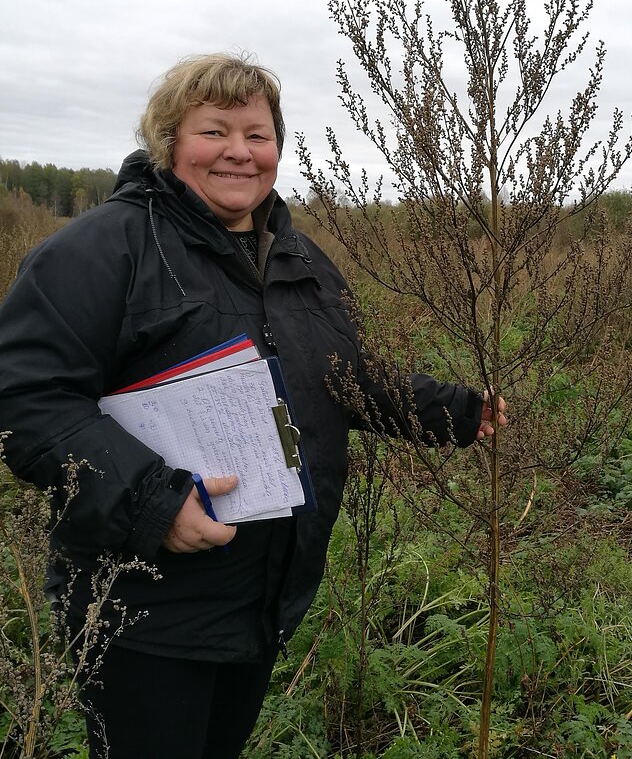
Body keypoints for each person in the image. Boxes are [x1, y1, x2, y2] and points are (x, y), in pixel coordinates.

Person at [0, 53, 506, 758]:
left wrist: (453, 410)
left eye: (258, 135)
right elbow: (26, 400)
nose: (240, 151)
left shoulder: (298, 258)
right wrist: (152, 502)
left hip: (261, 598)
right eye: (214, 131)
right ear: (169, 142)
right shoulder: (101, 250)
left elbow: (341, 374)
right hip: (145, 609)